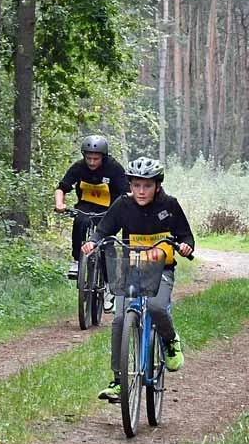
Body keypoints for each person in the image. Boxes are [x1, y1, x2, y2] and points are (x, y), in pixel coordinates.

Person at [80, 156, 194, 402]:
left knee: (156, 307)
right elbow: (103, 229)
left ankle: (170, 340)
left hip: (162, 270)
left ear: (157, 186)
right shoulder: (122, 205)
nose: (141, 191)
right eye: (136, 185)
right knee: (120, 318)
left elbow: (186, 236)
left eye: (147, 186)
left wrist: (185, 246)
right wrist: (93, 242)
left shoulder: (170, 206)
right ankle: (119, 381)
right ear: (130, 185)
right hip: (132, 269)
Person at [54, 135, 129, 279]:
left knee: (107, 242)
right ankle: (77, 260)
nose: (92, 162)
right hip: (86, 206)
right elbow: (61, 187)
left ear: (103, 157)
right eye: (89, 158)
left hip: (109, 209)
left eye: (96, 159)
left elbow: (126, 193)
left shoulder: (114, 168)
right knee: (80, 222)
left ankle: (109, 281)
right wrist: (59, 203)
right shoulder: (79, 167)